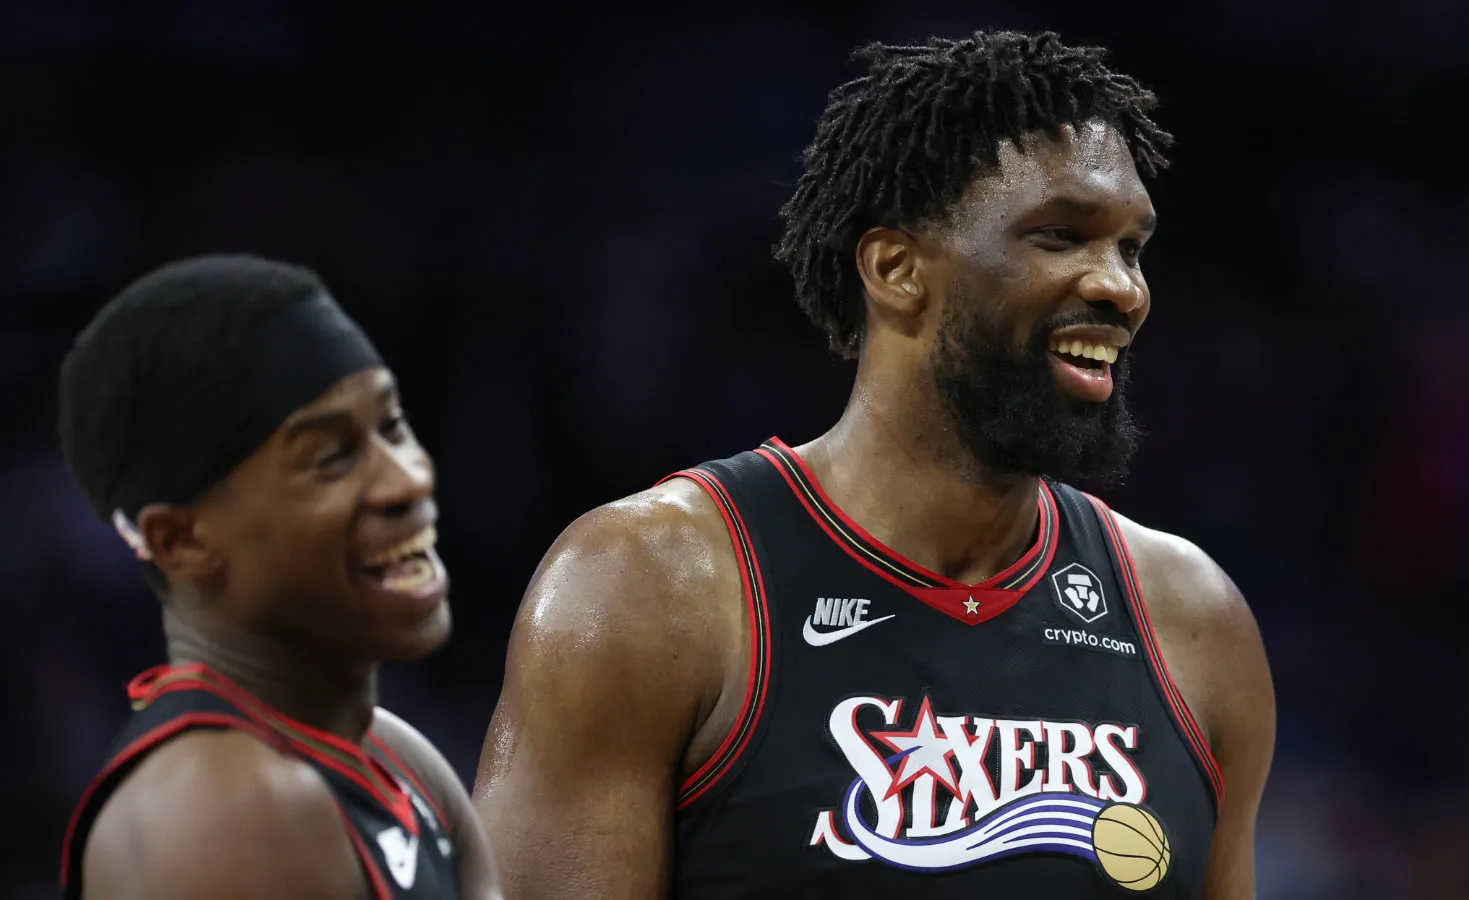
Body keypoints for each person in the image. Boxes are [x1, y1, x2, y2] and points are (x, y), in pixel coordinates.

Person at [474, 30, 1274, 899]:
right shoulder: (646, 587)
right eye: (1061, 236)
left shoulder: (1194, 621)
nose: (1122, 287)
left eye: (1131, 248)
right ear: (896, 268)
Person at [57, 255, 502, 900]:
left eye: (392, 426)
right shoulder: (219, 810)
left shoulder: (398, 760)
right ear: (182, 540)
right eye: (331, 458)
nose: (408, 479)